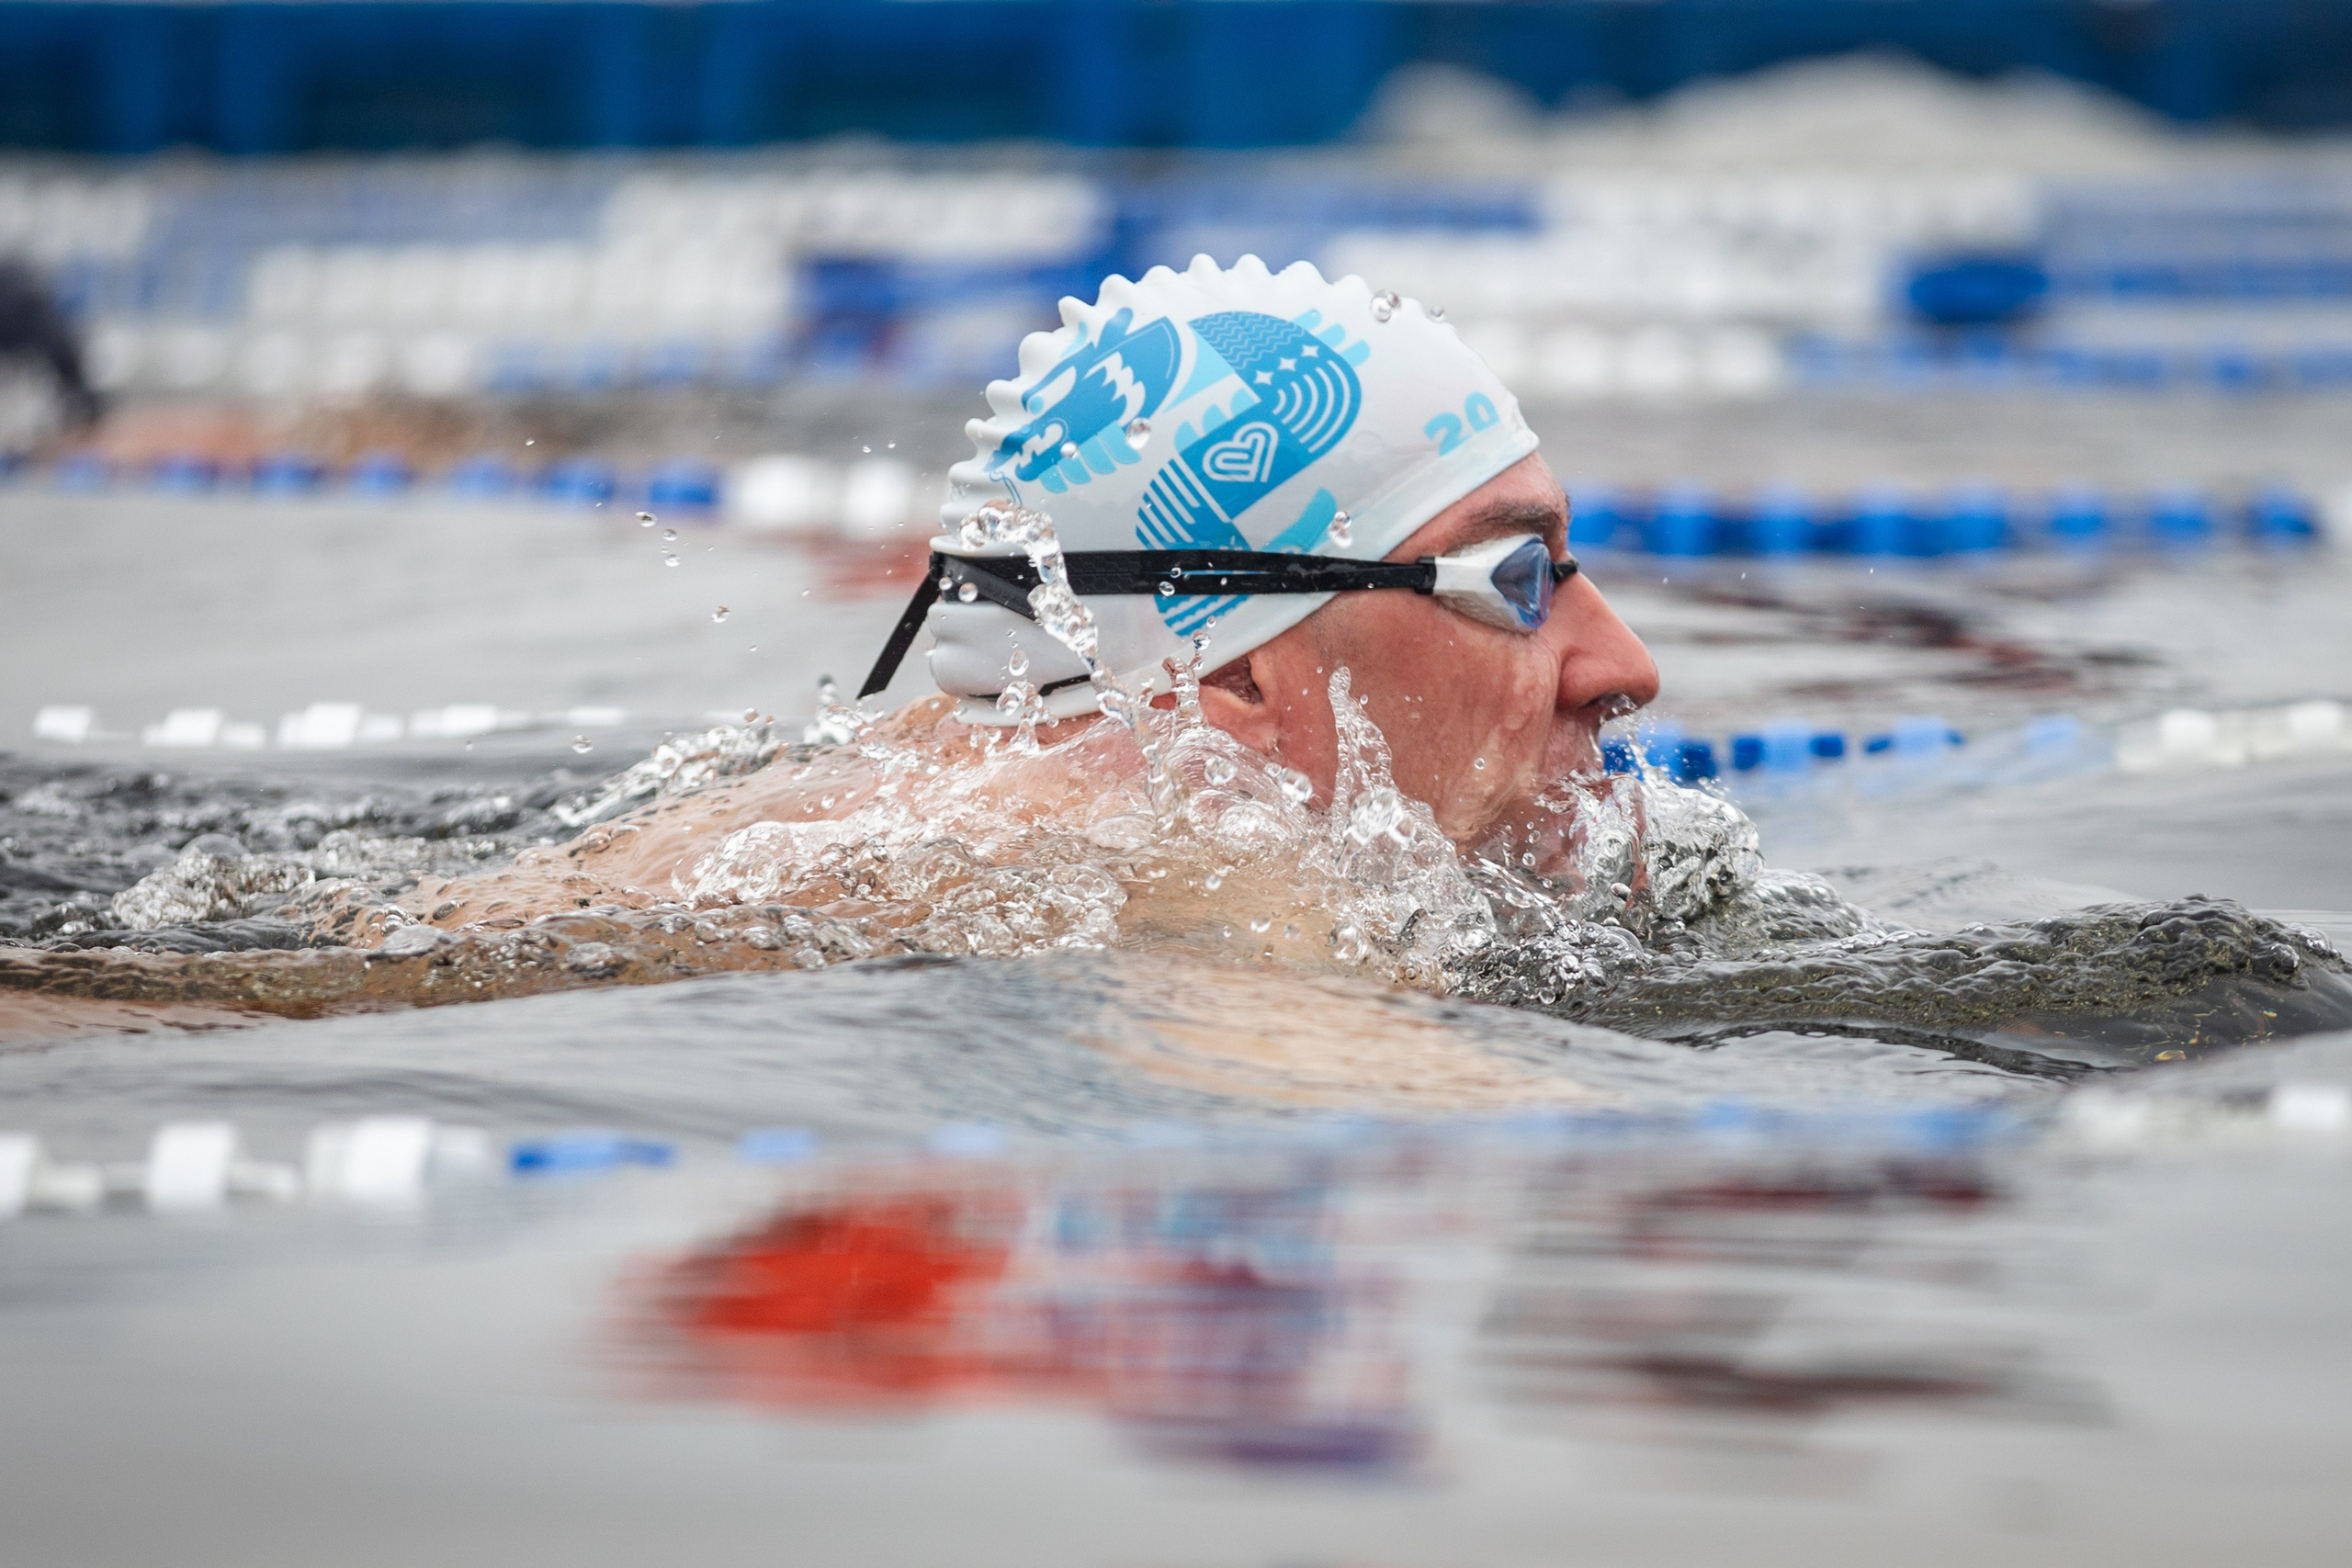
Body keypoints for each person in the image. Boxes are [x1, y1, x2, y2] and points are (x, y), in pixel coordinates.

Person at [407, 256, 1658, 931]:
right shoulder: (1206, 898)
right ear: (1233, 684)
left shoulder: (1007, 782)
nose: (1626, 666)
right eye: (1515, 581)